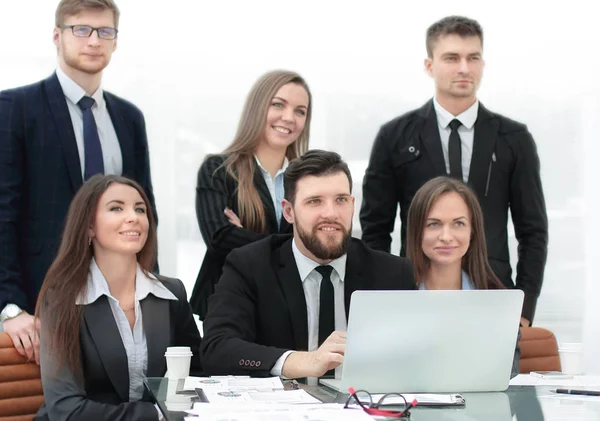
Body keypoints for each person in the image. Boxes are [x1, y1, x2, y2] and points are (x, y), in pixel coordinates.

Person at [360, 15, 547, 326]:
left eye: (473, 57)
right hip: (415, 293)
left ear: (482, 64)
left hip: (493, 294)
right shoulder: (395, 137)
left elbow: (533, 231)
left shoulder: (514, 139)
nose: (464, 68)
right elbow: (375, 229)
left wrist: (524, 307)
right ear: (429, 65)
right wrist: (385, 296)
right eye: (451, 58)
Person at [0, 0, 156, 364]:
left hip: (119, 299)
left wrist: (149, 291)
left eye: (105, 31)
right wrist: (9, 306)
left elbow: (145, 212)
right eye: (81, 29)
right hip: (42, 299)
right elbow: (2, 213)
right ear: (58, 36)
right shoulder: (15, 108)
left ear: (115, 41)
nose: (94, 41)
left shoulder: (128, 117)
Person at [201, 150, 416, 380]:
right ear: (289, 211)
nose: (331, 213)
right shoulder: (251, 265)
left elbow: (417, 356)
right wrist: (302, 361)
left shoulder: (393, 273)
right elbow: (216, 349)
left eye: (341, 200)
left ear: (353, 205)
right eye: (315, 201)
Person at [34, 175, 200, 421]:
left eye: (140, 209)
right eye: (116, 208)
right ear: (89, 226)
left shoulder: (172, 293)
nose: (133, 217)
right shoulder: (62, 299)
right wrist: (155, 415)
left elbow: (196, 373)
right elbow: (65, 410)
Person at [190, 70, 311, 318]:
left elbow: (317, 243)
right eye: (278, 104)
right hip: (231, 304)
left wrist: (246, 235)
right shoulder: (218, 170)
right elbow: (220, 239)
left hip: (288, 306)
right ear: (257, 108)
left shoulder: (307, 179)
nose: (289, 117)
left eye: (300, 111)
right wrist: (291, 246)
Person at [406, 176, 520, 376]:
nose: (446, 236)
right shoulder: (394, 298)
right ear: (417, 231)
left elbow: (506, 381)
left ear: (472, 231)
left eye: (458, 224)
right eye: (434, 224)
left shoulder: (499, 304)